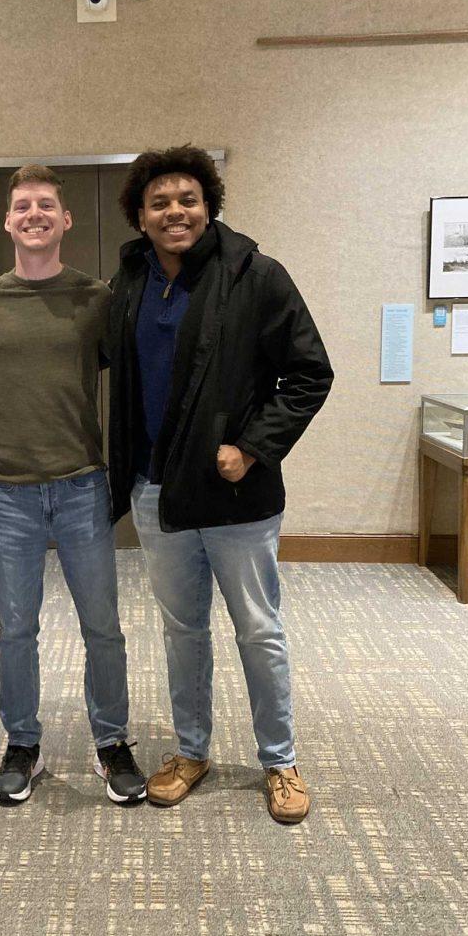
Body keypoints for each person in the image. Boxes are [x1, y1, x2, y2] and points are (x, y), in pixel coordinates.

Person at [106, 146, 334, 822]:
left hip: (236, 493)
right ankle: (192, 749)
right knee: (183, 631)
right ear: (140, 217)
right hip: (156, 492)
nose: (175, 211)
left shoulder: (256, 276)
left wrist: (254, 449)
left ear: (208, 206)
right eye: (160, 202)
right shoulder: (130, 280)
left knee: (258, 630)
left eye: (187, 199)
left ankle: (280, 759)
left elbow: (309, 373)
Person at [0, 164, 146, 806]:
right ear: (7, 222)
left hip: (81, 486)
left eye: (46, 206)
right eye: (22, 206)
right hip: (9, 492)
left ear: (64, 221)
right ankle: (23, 744)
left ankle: (112, 741)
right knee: (16, 629)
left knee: (103, 625)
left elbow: (136, 374)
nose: (34, 214)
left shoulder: (96, 299)